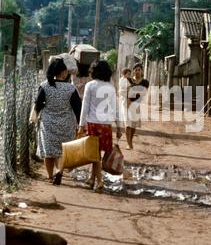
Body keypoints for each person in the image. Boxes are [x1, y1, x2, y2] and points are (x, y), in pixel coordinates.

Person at [35, 58, 82, 185]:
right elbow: (78, 108)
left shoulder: (45, 86)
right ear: (62, 72)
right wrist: (80, 124)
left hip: (47, 124)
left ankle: (50, 177)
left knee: (48, 152)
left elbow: (38, 104)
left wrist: (35, 116)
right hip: (66, 124)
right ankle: (59, 171)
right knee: (62, 151)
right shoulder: (71, 89)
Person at [78, 60, 122, 192]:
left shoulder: (90, 85)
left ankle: (99, 181)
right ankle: (92, 179)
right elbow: (115, 108)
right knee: (97, 154)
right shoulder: (110, 87)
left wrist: (81, 125)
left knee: (94, 154)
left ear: (93, 71)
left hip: (93, 123)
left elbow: (84, 107)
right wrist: (119, 126)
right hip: (106, 125)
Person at [126, 63, 149, 150]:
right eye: (136, 70)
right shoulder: (129, 80)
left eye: (139, 70)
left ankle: (131, 140)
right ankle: (129, 144)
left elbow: (144, 93)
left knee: (133, 125)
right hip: (127, 103)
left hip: (137, 104)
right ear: (133, 71)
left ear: (142, 71)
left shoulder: (145, 82)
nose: (137, 71)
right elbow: (126, 91)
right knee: (128, 124)